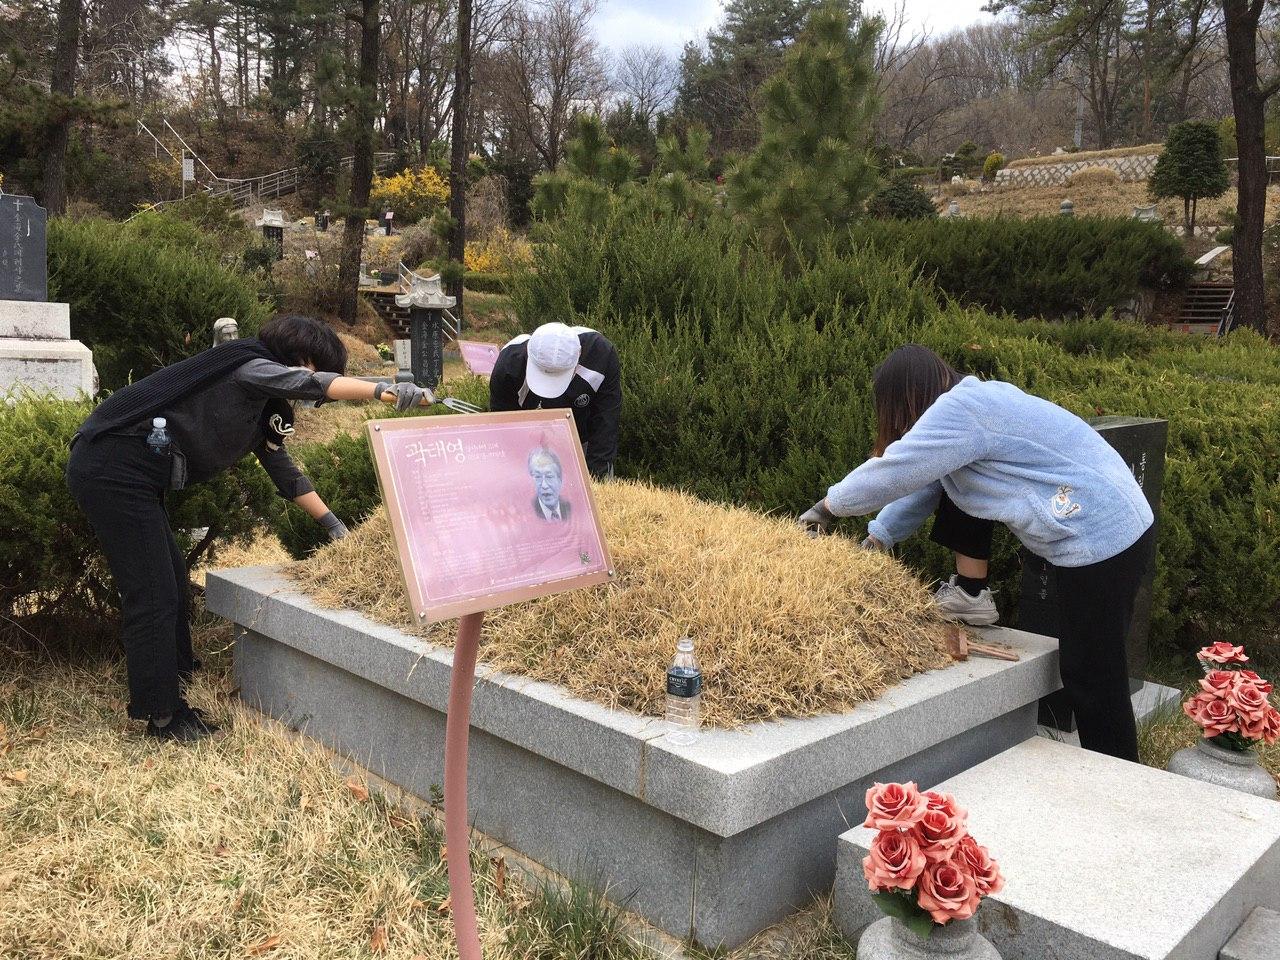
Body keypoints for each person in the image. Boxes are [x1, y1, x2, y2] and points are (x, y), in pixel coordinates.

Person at [66, 314, 435, 743]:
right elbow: (312, 384)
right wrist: (384, 389)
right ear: (300, 357)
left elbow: (285, 472)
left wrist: (334, 526)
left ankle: (178, 673)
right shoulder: (251, 368)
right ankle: (164, 716)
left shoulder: (264, 407)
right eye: (315, 367)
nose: (308, 390)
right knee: (153, 591)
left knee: (172, 580)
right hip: (112, 469)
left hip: (134, 476)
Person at [800, 345, 1154, 762]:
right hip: (1108, 526)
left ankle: (1119, 778)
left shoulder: (962, 409)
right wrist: (878, 538)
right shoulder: (974, 405)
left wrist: (826, 508)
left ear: (907, 395)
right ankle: (971, 593)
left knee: (1093, 676)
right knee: (1092, 668)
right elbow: (925, 483)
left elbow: (897, 469)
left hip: (1102, 532)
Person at [490, 322, 621, 478]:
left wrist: (597, 477)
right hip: (525, 439)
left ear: (579, 355)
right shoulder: (508, 364)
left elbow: (606, 422)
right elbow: (504, 429)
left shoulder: (601, 354)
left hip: (581, 438)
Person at [528, 447, 571, 522]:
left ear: (560, 480)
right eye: (538, 477)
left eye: (549, 477)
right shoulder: (528, 513)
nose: (544, 485)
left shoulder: (570, 509)